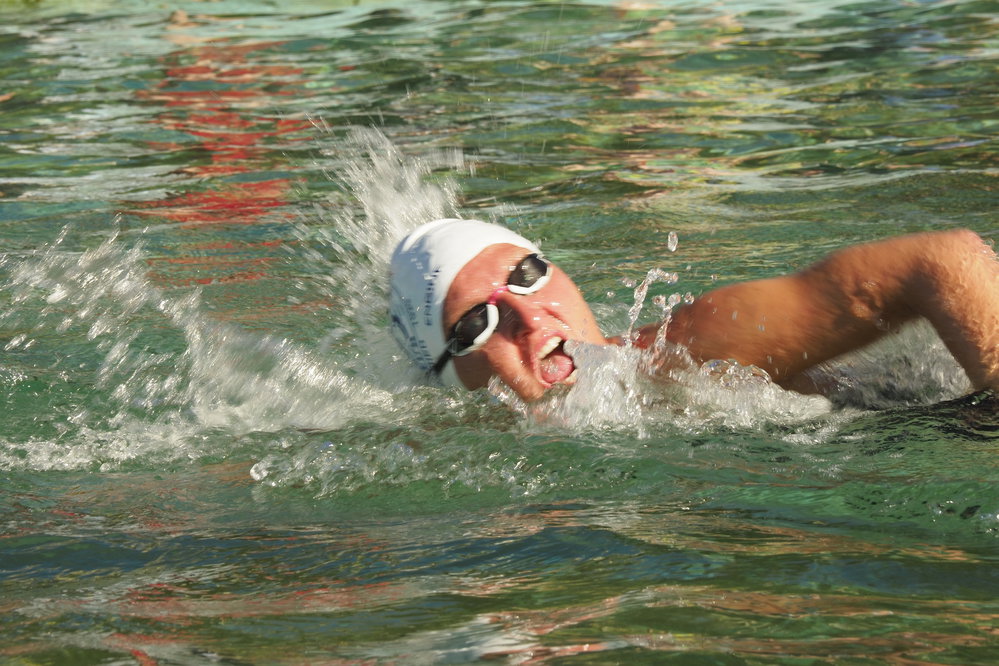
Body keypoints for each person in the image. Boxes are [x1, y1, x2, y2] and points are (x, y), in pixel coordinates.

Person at [388, 219, 999, 403]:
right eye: (478, 322)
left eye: (529, 274)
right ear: (448, 375)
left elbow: (943, 261)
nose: (530, 315)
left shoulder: (681, 352)